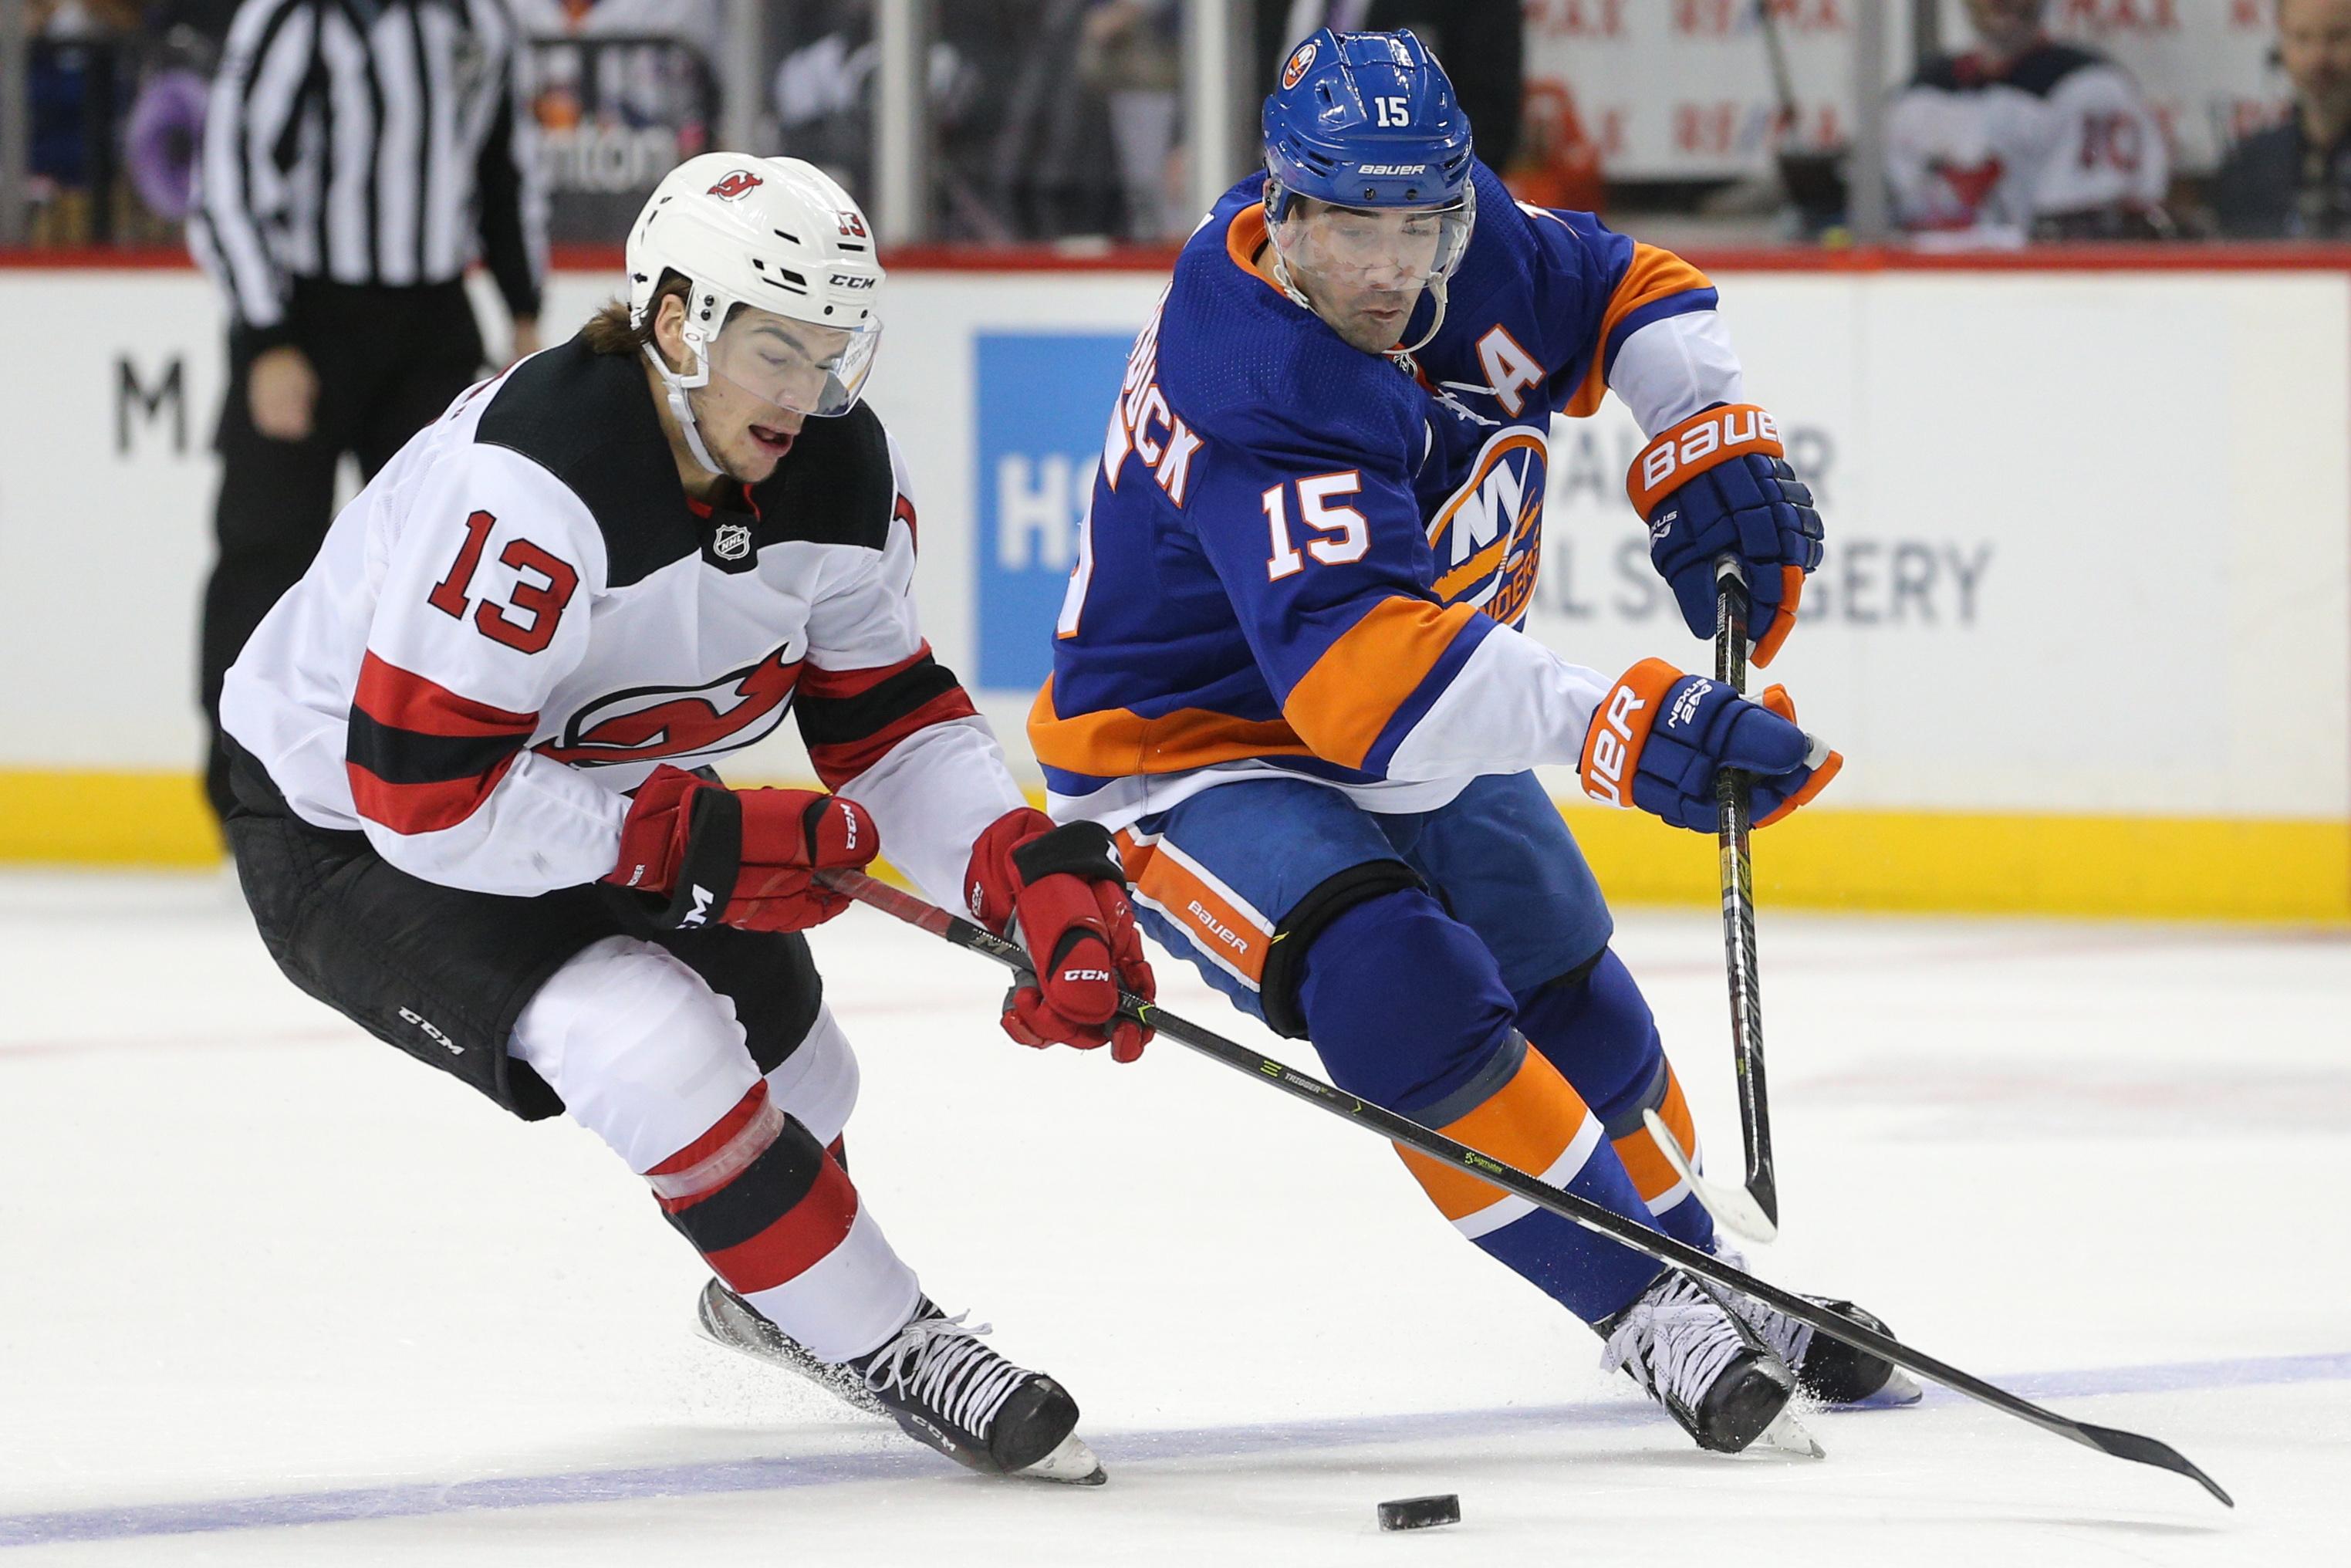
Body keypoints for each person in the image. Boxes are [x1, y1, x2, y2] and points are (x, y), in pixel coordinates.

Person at [1031, 28, 1916, 1456]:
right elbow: (1364, 688)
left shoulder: (1460, 238)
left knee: (1560, 961)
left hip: (1409, 702)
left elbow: (1635, 286)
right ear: (1283, 208)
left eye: (1417, 225)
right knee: (1393, 975)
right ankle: (1646, 1303)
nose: (1388, 268)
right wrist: (1626, 728)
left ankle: (1711, 1258)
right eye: (1350, 229)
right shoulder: (1251, 367)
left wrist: (1703, 433)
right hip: (1193, 752)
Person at [215, 154, 1157, 1483]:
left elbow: (884, 718)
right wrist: (688, 843)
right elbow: (428, 792)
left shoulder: (835, 471)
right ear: (675, 322)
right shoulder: (535, 484)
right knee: (652, 1045)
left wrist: (1019, 871)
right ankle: (895, 1341)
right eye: (775, 349)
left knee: (808, 1080)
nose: (806, 392)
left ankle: (780, 1288)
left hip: (570, 794)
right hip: (348, 826)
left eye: (831, 351)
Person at [189, 0, 549, 826]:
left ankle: (424, 785)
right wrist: (268, 335)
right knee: (266, 549)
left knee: (437, 563)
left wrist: (523, 310)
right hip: (305, 315)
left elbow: (505, 164)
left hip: (431, 318)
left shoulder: (478, 19)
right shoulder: (293, 18)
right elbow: (232, 175)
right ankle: (241, 796)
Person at [1884, 0, 2168, 243]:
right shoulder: (1922, 91)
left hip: (2044, 291)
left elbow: (2086, 233)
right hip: (1928, 289)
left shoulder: (2090, 85)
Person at [2214, 0, 2351, 238]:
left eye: (2338, 37)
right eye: (2301, 38)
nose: (2318, 58)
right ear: (2281, 44)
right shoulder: (2250, 167)